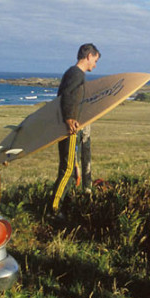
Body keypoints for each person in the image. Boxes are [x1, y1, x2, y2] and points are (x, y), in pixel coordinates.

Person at [51, 43, 100, 214]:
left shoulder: (73, 73)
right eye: (95, 60)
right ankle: (54, 209)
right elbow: (66, 96)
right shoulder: (76, 74)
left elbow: (68, 96)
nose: (95, 64)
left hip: (69, 127)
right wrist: (69, 118)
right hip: (70, 129)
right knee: (68, 170)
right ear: (89, 56)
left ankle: (60, 206)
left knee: (70, 169)